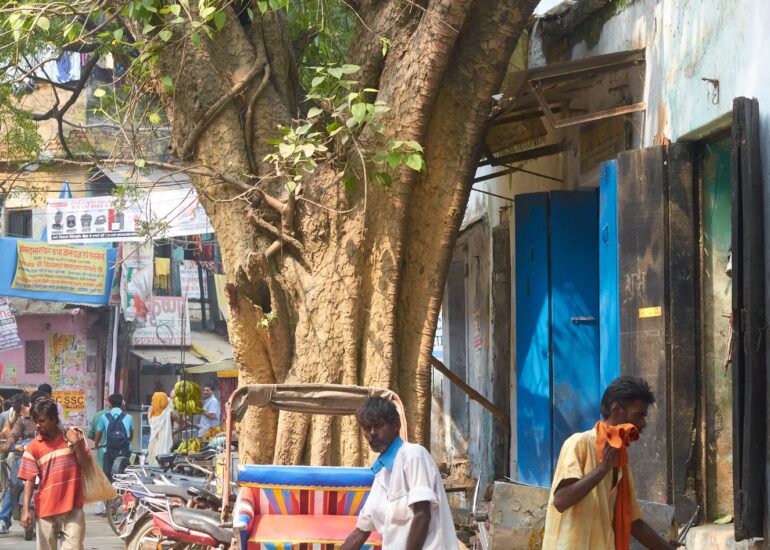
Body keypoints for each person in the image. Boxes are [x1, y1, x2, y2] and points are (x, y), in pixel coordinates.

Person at [541, 376, 678, 550]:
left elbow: (633, 523)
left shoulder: (620, 460)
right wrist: (602, 469)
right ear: (616, 409)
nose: (642, 424)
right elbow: (560, 500)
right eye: (639, 415)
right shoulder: (578, 443)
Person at [341, 397, 457, 550]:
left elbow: (422, 516)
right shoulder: (382, 473)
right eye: (367, 428)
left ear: (396, 424)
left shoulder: (413, 455)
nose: (372, 433)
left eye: (378, 426)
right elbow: (361, 531)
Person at [18, 397, 89, 550]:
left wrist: (76, 444)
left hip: (73, 507)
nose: (37, 425)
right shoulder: (33, 447)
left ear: (54, 419)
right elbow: (29, 480)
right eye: (35, 421)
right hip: (45, 509)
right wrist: (25, 511)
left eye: (42, 421)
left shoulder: (73, 437)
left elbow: (86, 466)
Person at [95, 393, 133, 480]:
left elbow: (99, 432)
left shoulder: (104, 417)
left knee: (107, 475)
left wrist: (97, 444)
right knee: (124, 473)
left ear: (110, 404)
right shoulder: (128, 417)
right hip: (125, 450)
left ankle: (110, 490)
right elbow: (130, 435)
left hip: (109, 449)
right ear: (121, 404)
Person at [147, 392, 185, 465]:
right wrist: (172, 433)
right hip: (165, 444)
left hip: (153, 444)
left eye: (153, 400)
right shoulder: (169, 414)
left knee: (153, 468)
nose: (152, 402)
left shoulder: (150, 413)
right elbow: (184, 424)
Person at [87, 402, 110, 516]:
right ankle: (110, 506)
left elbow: (91, 434)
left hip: (101, 450)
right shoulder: (124, 416)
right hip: (117, 450)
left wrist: (97, 443)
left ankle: (101, 506)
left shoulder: (98, 416)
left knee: (102, 477)